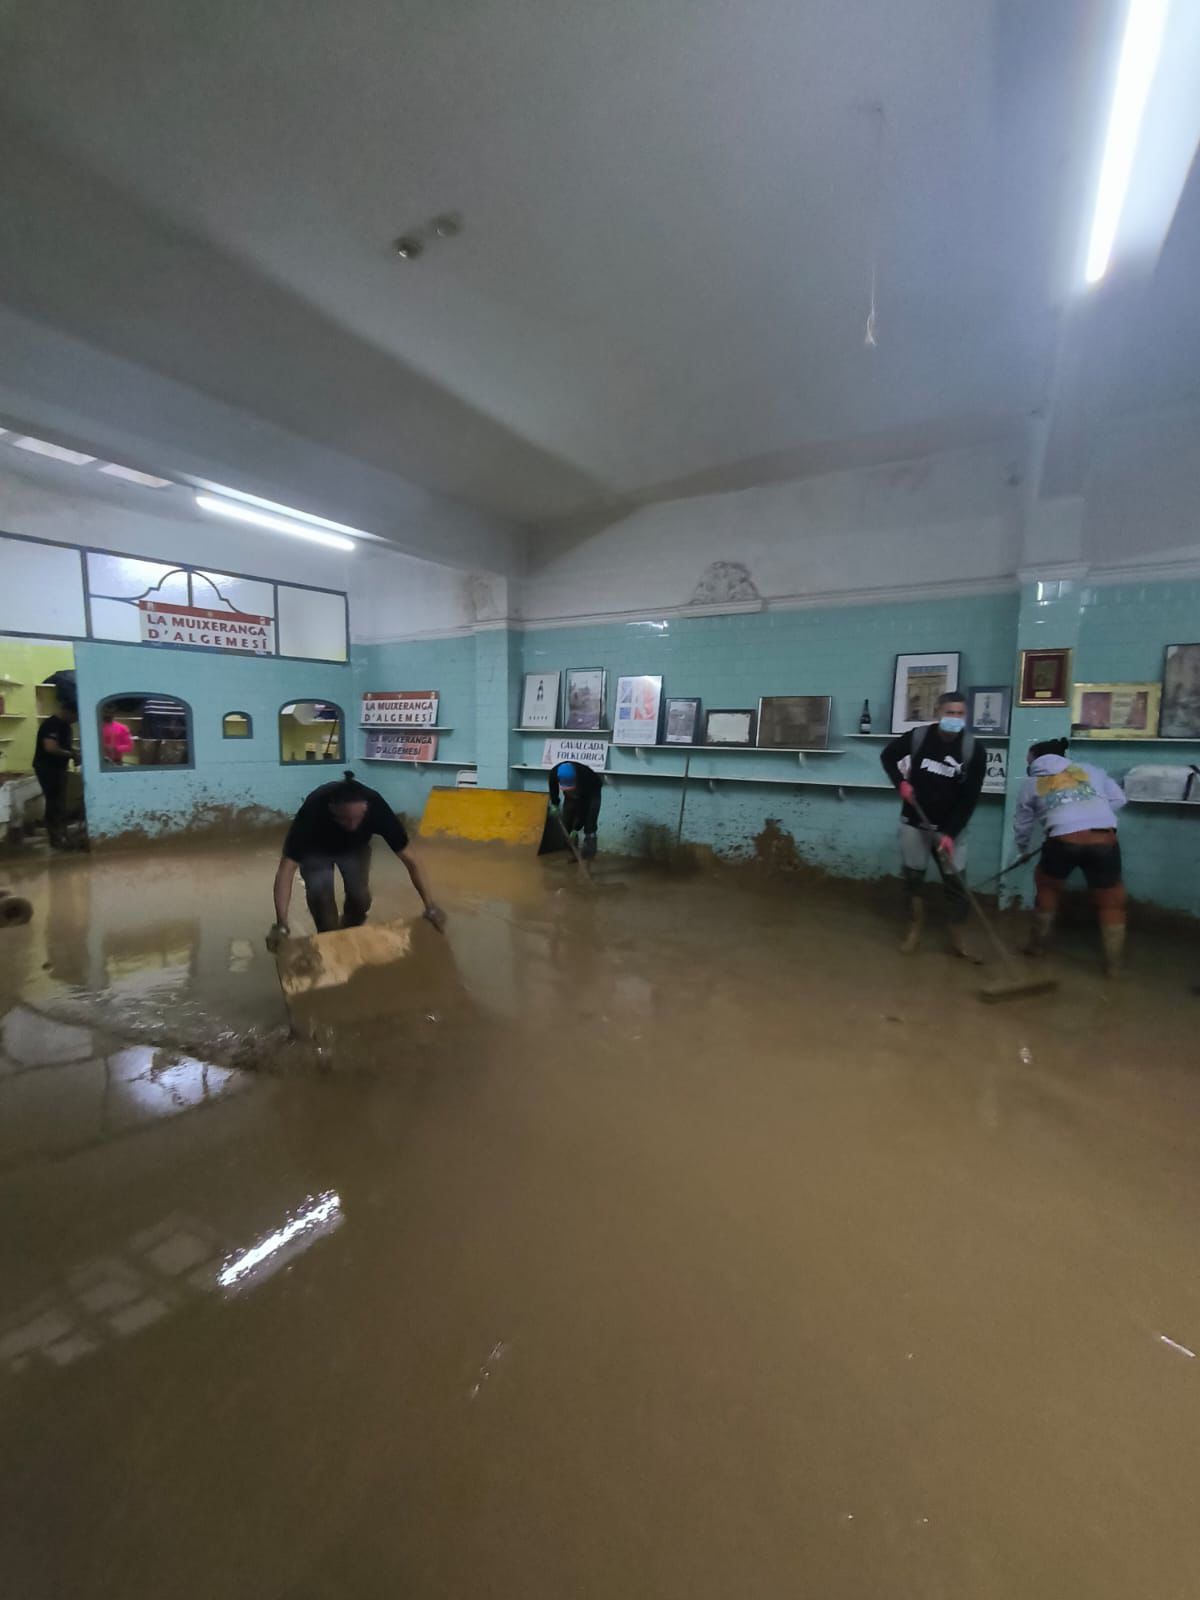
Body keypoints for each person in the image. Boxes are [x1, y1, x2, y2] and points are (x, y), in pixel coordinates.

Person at [268, 770, 445, 946]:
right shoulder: (313, 810)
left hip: (355, 849)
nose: (352, 825)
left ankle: (347, 933)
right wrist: (281, 925)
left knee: (360, 900)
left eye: (357, 818)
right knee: (322, 903)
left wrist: (430, 906)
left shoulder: (377, 808)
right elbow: (286, 870)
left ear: (366, 808)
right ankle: (329, 939)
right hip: (316, 851)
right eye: (345, 819)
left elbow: (411, 860)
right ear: (331, 808)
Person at [881, 691, 987, 956]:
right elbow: (887, 756)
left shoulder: (974, 750)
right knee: (914, 878)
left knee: (956, 883)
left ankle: (957, 937)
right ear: (938, 713)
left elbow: (969, 799)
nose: (954, 718)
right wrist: (901, 783)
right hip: (915, 821)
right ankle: (914, 929)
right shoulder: (919, 737)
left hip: (950, 827)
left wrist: (950, 834)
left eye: (960, 713)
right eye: (949, 713)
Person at [1013, 737, 1128, 976]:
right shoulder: (1092, 770)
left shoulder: (1030, 783)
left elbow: (1023, 824)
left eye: (1028, 759)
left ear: (1035, 758)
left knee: (1047, 890)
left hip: (1061, 841)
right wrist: (1093, 817)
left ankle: (1036, 948)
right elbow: (1119, 800)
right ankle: (1113, 967)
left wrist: (1023, 850)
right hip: (1104, 839)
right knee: (1111, 902)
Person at [32, 699, 77, 848]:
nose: (75, 720)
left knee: (59, 801)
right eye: (75, 716)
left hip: (58, 768)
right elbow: (50, 747)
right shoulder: (51, 724)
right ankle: (56, 837)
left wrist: (75, 751)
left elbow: (65, 746)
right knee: (54, 802)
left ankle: (61, 834)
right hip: (47, 768)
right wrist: (71, 754)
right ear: (67, 711)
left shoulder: (65, 726)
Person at [547, 761, 603, 860]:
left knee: (590, 824)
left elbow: (583, 809)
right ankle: (574, 854)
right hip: (577, 793)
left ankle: (588, 858)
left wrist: (576, 828)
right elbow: (553, 788)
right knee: (566, 824)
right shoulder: (554, 773)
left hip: (592, 792)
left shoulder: (585, 779)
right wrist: (555, 803)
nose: (570, 792)